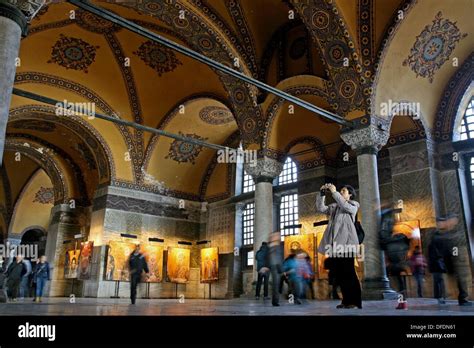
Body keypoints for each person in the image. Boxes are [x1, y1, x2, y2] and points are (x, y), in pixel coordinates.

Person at [316, 183, 362, 309]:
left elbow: (346, 207)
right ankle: (346, 300)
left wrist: (335, 192)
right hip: (335, 246)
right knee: (341, 274)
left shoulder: (353, 204)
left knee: (349, 273)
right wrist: (322, 194)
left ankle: (355, 301)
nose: (341, 192)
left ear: (350, 194)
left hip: (347, 245)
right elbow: (321, 208)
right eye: (340, 191)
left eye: (343, 191)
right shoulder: (335, 207)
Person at [379, 203, 410, 309]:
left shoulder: (385, 220)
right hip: (397, 262)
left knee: (398, 283)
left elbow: (383, 235)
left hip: (394, 262)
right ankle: (402, 302)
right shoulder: (398, 239)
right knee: (400, 283)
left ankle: (402, 301)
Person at [268, 231, 283, 306]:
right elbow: (275, 257)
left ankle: (275, 301)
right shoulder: (274, 245)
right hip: (275, 266)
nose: (278, 236)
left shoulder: (276, 245)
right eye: (277, 235)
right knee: (276, 284)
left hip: (276, 265)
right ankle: (275, 301)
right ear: (272, 237)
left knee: (276, 284)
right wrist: (279, 267)